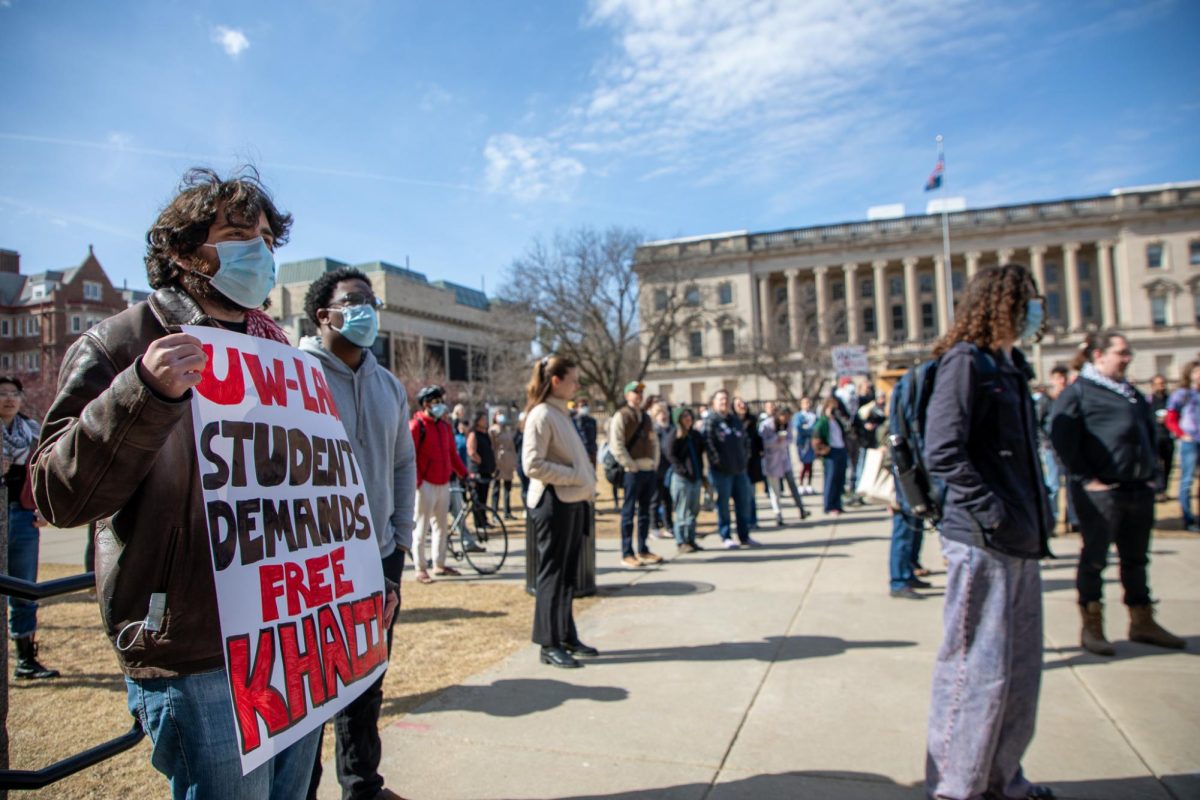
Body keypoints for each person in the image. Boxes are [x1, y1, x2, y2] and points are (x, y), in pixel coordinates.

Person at [31, 167, 325, 797]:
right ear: (185, 250)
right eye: (241, 235)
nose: (263, 253)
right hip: (193, 649)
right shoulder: (120, 344)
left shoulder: (283, 358)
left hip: (287, 632)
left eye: (271, 240)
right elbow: (59, 494)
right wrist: (144, 392)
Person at [923, 263, 1054, 800]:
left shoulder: (1013, 366)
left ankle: (1002, 780)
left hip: (1020, 540)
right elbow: (943, 450)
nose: (1037, 309)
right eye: (1029, 300)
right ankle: (957, 788)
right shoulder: (964, 363)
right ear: (1001, 304)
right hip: (983, 542)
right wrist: (992, 512)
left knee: (1019, 675)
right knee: (974, 675)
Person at [300, 267, 414, 800]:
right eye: (354, 300)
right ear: (324, 314)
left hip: (378, 560)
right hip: (311, 564)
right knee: (309, 688)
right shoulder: (293, 375)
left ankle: (363, 785)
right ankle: (301, 788)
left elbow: (402, 466)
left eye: (372, 301)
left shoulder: (389, 384)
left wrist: (401, 541)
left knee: (367, 679)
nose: (367, 309)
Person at [1052, 331, 1185, 655]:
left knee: (1136, 559)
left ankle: (1142, 619)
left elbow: (1147, 435)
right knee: (1095, 559)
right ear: (1099, 355)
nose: (1127, 358)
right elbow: (1061, 437)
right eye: (1121, 352)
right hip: (1102, 493)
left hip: (1137, 489)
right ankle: (1092, 625)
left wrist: (1152, 475)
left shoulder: (1130, 393)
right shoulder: (1080, 392)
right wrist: (1087, 479)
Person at [522, 356, 597, 669]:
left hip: (573, 502)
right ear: (556, 380)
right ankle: (548, 643)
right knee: (552, 574)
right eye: (573, 379)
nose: (577, 385)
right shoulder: (541, 414)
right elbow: (532, 464)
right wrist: (574, 476)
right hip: (553, 503)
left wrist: (581, 480)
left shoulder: (561, 413)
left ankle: (566, 634)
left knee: (568, 574)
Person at [1, 377, 59, 680]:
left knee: (24, 589)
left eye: (14, 394)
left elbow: (42, 473)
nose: (9, 399)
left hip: (22, 517)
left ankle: (25, 659)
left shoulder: (31, 432)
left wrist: (42, 507)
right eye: (3, 394)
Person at [411, 386, 470, 584]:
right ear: (426, 403)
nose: (440, 405)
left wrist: (464, 473)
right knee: (421, 526)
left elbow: (452, 454)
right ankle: (420, 567)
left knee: (441, 526)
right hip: (425, 484)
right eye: (436, 401)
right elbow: (409, 456)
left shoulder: (444, 427)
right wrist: (418, 481)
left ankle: (439, 563)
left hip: (443, 482)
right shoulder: (417, 426)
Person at [610, 381, 663, 568]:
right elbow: (616, 443)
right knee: (628, 512)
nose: (639, 394)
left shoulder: (647, 418)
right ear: (627, 395)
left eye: (641, 391)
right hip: (632, 471)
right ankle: (627, 552)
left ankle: (643, 548)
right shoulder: (622, 415)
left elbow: (654, 441)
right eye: (635, 391)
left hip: (648, 469)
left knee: (645, 512)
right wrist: (630, 465)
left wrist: (655, 461)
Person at [704, 389, 758, 549]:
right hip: (722, 472)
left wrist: (744, 458)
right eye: (720, 399)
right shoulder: (712, 421)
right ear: (713, 402)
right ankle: (726, 535)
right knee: (723, 505)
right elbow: (709, 443)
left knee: (744, 503)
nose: (724, 402)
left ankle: (744, 535)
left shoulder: (735, 420)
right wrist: (718, 462)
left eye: (726, 399)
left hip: (739, 469)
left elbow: (746, 441)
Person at [1165, 360, 1200, 531]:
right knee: (1187, 480)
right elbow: (1170, 418)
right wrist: (1182, 435)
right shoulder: (1182, 394)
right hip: (1190, 441)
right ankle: (1188, 519)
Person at [665, 406, 705, 553]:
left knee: (693, 511)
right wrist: (682, 470)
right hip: (682, 479)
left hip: (696, 478)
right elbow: (670, 455)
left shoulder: (695, 435)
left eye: (689, 415)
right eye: (684, 416)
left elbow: (702, 452)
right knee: (682, 511)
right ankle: (681, 541)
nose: (688, 418)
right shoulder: (675, 435)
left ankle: (690, 539)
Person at [759, 407, 807, 525]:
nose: (785, 419)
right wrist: (776, 439)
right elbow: (762, 442)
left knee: (792, 485)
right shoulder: (766, 425)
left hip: (784, 459)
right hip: (771, 461)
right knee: (775, 489)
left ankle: (801, 508)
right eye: (783, 417)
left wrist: (783, 440)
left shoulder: (788, 424)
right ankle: (778, 514)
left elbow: (790, 439)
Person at [1036, 364, 1070, 529]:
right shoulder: (1046, 400)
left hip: (1068, 449)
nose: (1062, 381)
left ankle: (1072, 520)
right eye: (1058, 378)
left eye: (1064, 377)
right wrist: (1046, 443)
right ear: (1052, 380)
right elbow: (1038, 423)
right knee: (1054, 486)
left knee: (1071, 485)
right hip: (1050, 449)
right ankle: (1052, 521)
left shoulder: (1070, 398)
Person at [811, 397, 848, 515]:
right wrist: (822, 450)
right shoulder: (823, 421)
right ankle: (829, 505)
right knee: (831, 480)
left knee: (840, 480)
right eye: (832, 408)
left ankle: (837, 503)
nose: (834, 410)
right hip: (831, 452)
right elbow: (816, 437)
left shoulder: (836, 421)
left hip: (841, 449)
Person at [733, 396, 764, 528]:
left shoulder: (752, 420)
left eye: (743, 404)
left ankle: (752, 520)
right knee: (740, 495)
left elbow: (757, 439)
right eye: (738, 404)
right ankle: (743, 520)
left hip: (751, 461)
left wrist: (761, 451)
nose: (742, 406)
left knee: (751, 493)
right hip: (737, 462)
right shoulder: (732, 422)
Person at [467, 411, 498, 533]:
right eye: (483, 419)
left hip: (486, 471)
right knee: (478, 498)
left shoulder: (486, 435)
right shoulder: (474, 434)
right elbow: (471, 451)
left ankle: (484, 520)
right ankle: (478, 522)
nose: (485, 421)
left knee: (484, 498)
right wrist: (479, 461)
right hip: (478, 472)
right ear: (477, 421)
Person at [1146, 374, 1173, 502]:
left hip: (1168, 436)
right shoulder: (1148, 400)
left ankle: (1165, 489)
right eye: (1157, 384)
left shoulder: (1170, 400)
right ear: (1152, 385)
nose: (1160, 386)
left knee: (1168, 465)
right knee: (1157, 465)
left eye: (1162, 383)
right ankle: (1159, 490)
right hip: (1154, 437)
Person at [651, 401, 674, 539]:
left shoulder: (671, 429)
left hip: (669, 471)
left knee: (668, 501)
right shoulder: (654, 430)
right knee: (655, 500)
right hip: (656, 470)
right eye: (659, 413)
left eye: (664, 413)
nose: (663, 416)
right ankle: (654, 526)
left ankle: (669, 525)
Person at [490, 410, 519, 520]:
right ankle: (494, 513)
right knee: (496, 488)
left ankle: (507, 512)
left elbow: (512, 446)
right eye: (498, 414)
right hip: (498, 460)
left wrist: (514, 461)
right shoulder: (492, 430)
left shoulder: (507, 430)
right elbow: (492, 446)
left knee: (508, 488)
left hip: (508, 461)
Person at [791, 396, 817, 490]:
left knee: (810, 465)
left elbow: (816, 428)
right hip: (802, 443)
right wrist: (809, 430)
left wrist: (809, 430)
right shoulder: (798, 416)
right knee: (803, 464)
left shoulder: (813, 416)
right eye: (805, 403)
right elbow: (798, 428)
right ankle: (801, 484)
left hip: (811, 443)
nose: (807, 405)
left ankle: (809, 484)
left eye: (808, 402)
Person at [572, 398, 598, 468]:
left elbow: (594, 436)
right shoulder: (572, 421)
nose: (585, 407)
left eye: (586, 405)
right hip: (578, 452)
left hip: (591, 451)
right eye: (582, 406)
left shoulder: (592, 421)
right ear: (577, 408)